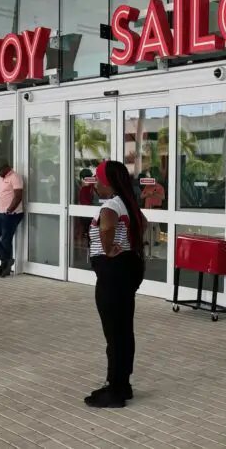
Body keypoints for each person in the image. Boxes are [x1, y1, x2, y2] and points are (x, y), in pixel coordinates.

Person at [85, 160, 146, 408]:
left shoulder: (111, 206)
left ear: (108, 182)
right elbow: (146, 225)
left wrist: (108, 248)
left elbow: (107, 226)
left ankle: (115, 389)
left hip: (113, 273)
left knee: (114, 332)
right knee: (123, 330)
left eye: (98, 179)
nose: (95, 183)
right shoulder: (128, 204)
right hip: (127, 269)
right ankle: (123, 383)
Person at [0, 158, 24, 277]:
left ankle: (4, 265)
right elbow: (4, 195)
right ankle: (6, 261)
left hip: (12, 214)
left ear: (6, 167)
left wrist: (10, 210)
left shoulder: (15, 177)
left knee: (6, 239)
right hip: (1, 212)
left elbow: (18, 196)